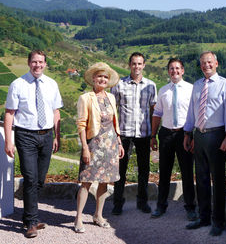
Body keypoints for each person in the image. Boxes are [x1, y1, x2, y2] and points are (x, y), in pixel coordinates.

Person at [4, 50, 63, 238]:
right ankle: (31, 222)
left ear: (45, 64)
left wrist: (57, 136)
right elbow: (9, 113)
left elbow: (56, 112)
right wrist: (8, 141)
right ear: (29, 63)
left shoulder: (52, 84)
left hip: (46, 136)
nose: (37, 65)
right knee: (30, 178)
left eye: (41, 62)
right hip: (25, 136)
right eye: (34, 62)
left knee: (39, 180)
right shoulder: (18, 84)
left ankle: (30, 216)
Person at [183, 51, 226, 236]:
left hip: (217, 135)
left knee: (218, 179)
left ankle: (218, 221)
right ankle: (203, 217)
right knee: (202, 178)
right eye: (203, 63)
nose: (206, 65)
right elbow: (192, 111)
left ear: (216, 63)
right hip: (199, 135)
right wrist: (188, 134)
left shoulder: (225, 85)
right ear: (200, 66)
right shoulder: (197, 85)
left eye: (209, 62)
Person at [74, 62, 125, 233]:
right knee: (86, 182)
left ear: (108, 80)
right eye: (99, 76)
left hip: (110, 144)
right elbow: (81, 124)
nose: (102, 79)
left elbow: (114, 122)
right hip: (93, 144)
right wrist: (84, 148)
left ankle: (98, 215)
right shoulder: (85, 98)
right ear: (93, 79)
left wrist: (119, 142)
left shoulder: (111, 98)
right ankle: (79, 218)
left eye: (105, 77)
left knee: (104, 181)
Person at [150, 58, 196, 220]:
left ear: (183, 70)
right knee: (164, 172)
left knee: (187, 172)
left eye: (177, 68)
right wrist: (153, 135)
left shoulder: (191, 89)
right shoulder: (163, 90)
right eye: (171, 68)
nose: (174, 71)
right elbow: (157, 114)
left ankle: (190, 207)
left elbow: (196, 114)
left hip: (184, 134)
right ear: (168, 71)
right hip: (166, 134)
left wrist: (192, 135)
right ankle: (161, 206)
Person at [111, 52, 157, 215]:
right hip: (124, 133)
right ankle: (118, 203)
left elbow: (153, 110)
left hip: (144, 133)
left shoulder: (151, 85)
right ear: (129, 65)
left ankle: (142, 202)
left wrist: (154, 135)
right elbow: (112, 110)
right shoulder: (119, 84)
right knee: (120, 170)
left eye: (139, 64)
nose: (137, 66)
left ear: (144, 65)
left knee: (144, 169)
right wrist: (114, 134)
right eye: (134, 63)